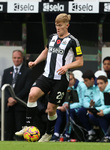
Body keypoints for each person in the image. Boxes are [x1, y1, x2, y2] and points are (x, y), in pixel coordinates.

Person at [15, 13, 83, 142]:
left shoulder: (73, 41)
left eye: (60, 25)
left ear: (67, 25)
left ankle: (48, 133)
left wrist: (67, 67)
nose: (58, 28)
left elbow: (80, 61)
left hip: (61, 80)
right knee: (32, 95)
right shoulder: (52, 37)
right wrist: (36, 62)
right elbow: (46, 51)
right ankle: (28, 126)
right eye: (56, 25)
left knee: (51, 110)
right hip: (46, 76)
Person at [2, 50, 32, 140]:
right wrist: (8, 99)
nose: (16, 60)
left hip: (20, 105)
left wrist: (15, 99)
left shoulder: (27, 71)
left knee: (20, 131)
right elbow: (3, 87)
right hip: (9, 106)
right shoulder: (7, 71)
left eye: (18, 58)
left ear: (22, 58)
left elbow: (27, 88)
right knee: (8, 131)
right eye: (14, 58)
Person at [50, 71, 86, 141]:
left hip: (79, 108)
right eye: (67, 80)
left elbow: (81, 102)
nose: (69, 81)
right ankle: (56, 134)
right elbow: (65, 100)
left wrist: (68, 106)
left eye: (71, 79)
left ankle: (67, 134)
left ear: (74, 79)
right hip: (69, 107)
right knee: (58, 111)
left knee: (69, 111)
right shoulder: (66, 86)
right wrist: (64, 105)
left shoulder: (81, 86)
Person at [77, 70, 101, 142]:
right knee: (81, 111)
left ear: (92, 79)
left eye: (86, 81)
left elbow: (101, 100)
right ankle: (91, 132)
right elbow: (85, 101)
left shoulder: (100, 84)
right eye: (84, 81)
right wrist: (90, 107)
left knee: (92, 115)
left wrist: (93, 107)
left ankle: (104, 134)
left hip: (101, 107)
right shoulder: (88, 87)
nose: (85, 83)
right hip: (92, 108)